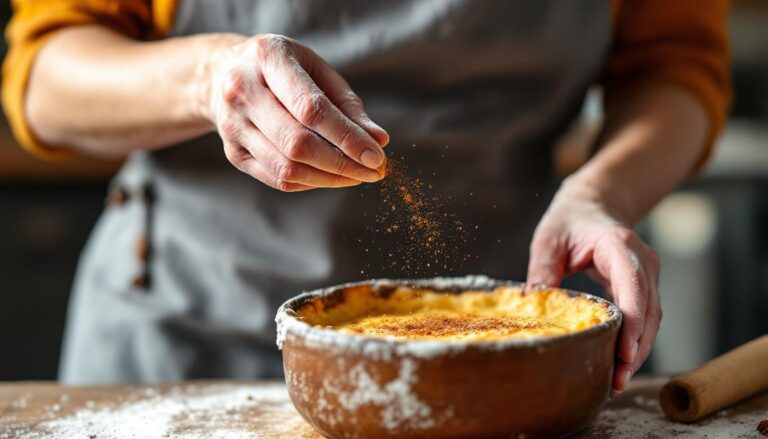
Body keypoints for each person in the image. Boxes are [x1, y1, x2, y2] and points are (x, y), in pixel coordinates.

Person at [2, 0, 729, 395]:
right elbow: (45, 77)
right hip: (192, 334)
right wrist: (207, 79)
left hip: (502, 339)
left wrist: (602, 193)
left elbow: (674, 67)